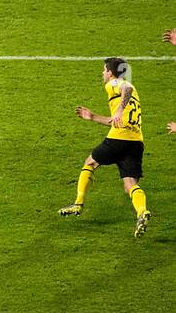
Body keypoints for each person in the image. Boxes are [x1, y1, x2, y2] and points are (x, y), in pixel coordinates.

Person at [59, 57, 151, 239]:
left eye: (104, 70)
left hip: (118, 139)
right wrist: (92, 117)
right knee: (130, 185)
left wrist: (117, 111)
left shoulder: (115, 84)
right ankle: (142, 212)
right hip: (136, 141)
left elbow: (127, 88)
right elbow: (115, 121)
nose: (102, 73)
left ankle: (78, 204)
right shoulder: (133, 94)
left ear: (110, 72)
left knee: (90, 162)